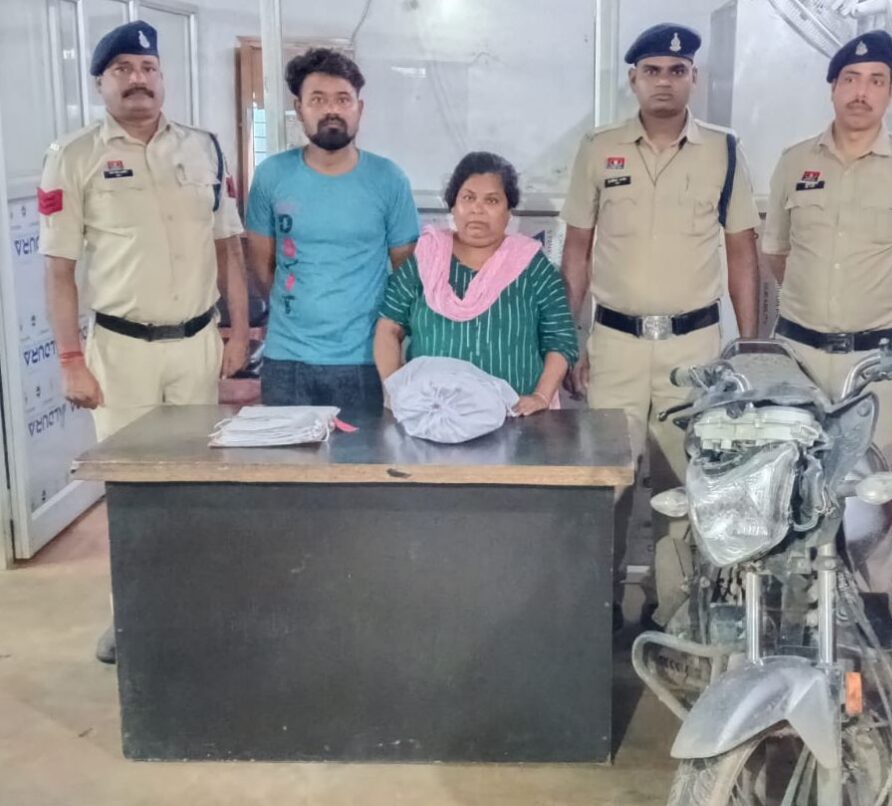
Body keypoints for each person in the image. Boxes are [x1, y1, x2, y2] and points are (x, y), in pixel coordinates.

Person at [39, 19, 249, 664]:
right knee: (130, 490)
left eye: (149, 69)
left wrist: (239, 332)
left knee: (197, 483)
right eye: (123, 69)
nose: (139, 79)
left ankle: (195, 608)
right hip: (121, 352)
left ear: (163, 78)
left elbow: (228, 248)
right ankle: (131, 615)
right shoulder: (73, 156)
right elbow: (59, 269)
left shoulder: (204, 148)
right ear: (100, 82)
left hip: (196, 346)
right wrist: (71, 360)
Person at [561, 22, 761, 631]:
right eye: (652, 71)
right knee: (609, 483)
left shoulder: (724, 151)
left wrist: (748, 346)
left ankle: (673, 613)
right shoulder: (600, 148)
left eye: (677, 71)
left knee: (685, 483)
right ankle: (600, 613)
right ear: (633, 79)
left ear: (693, 78)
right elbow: (576, 249)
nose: (664, 82)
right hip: (615, 344)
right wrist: (568, 338)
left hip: (693, 348)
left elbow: (742, 253)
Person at [761, 29, 892, 595]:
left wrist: (879, 310)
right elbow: (776, 252)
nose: (862, 92)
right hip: (798, 355)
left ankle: (872, 601)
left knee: (872, 482)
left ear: (890, 91)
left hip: (876, 362)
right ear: (833, 88)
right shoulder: (795, 160)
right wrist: (815, 306)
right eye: (851, 79)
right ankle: (796, 603)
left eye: (876, 81)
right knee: (791, 477)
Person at [246, 48, 419, 411]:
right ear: (299, 109)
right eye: (318, 99)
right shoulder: (271, 176)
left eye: (343, 99)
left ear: (360, 108)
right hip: (287, 360)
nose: (332, 109)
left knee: (366, 450)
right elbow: (262, 266)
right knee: (289, 450)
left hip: (366, 359)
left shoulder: (389, 179)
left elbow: (406, 271)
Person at [374, 152, 578, 410]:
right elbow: (388, 328)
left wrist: (541, 397)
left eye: (492, 200)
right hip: (433, 415)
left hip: (515, 416)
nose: (477, 209)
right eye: (468, 198)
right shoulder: (425, 260)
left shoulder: (532, 266)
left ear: (509, 211)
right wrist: (395, 390)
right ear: (453, 205)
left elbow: (560, 339)